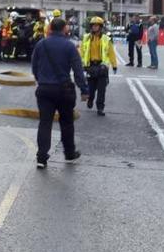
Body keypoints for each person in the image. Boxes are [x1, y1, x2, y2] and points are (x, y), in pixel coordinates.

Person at [31, 18, 88, 169]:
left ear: (50, 28)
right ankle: (69, 153)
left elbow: (34, 66)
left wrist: (41, 80)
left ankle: (41, 157)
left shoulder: (41, 44)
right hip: (64, 90)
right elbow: (77, 70)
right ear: (64, 29)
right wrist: (84, 89)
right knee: (67, 123)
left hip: (44, 90)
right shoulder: (70, 46)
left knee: (45, 123)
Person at [80, 17, 117, 116]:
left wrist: (114, 65)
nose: (94, 27)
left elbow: (111, 52)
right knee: (91, 89)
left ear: (100, 27)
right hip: (90, 67)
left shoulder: (106, 39)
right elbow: (82, 52)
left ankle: (100, 108)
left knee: (102, 90)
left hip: (102, 67)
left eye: (97, 25)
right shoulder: (86, 38)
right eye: (93, 25)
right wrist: (81, 65)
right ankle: (90, 99)